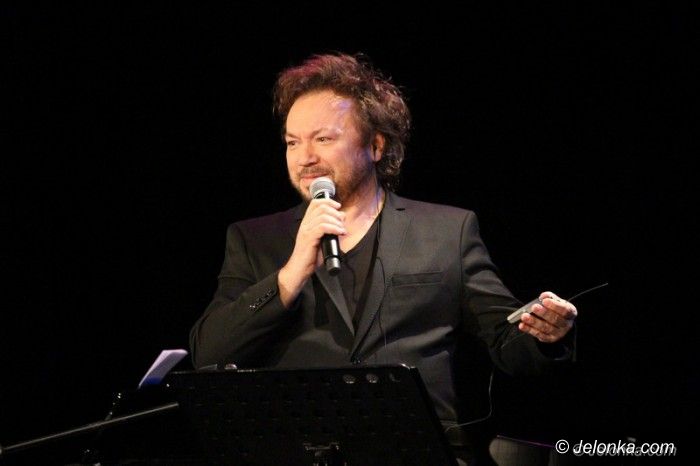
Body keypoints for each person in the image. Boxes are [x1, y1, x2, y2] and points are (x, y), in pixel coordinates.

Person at [190, 53, 577, 464]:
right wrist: (289, 275)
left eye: (323, 139)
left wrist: (546, 332)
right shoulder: (255, 240)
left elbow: (506, 340)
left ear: (375, 146)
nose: (304, 158)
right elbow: (209, 353)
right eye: (292, 142)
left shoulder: (447, 231)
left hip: (417, 452)